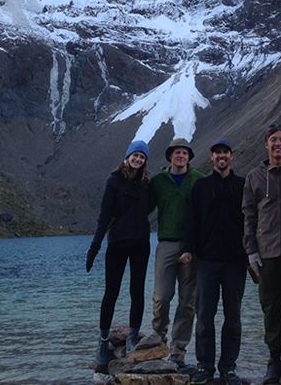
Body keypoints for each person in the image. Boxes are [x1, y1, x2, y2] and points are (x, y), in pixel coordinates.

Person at [242, 124, 281, 384]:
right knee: (269, 307)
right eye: (273, 140)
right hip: (265, 253)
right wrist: (250, 250)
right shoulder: (254, 177)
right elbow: (248, 215)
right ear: (266, 144)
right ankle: (273, 359)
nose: (277, 144)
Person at [180, 139, 247, 385]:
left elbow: (250, 221)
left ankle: (228, 367)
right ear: (211, 158)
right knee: (205, 315)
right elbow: (191, 222)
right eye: (217, 153)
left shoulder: (242, 185)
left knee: (233, 316)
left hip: (235, 262)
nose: (221, 156)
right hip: (206, 261)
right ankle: (205, 366)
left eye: (225, 153)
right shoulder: (200, 187)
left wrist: (251, 253)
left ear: (232, 156)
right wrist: (187, 250)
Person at [86, 140, 154, 368]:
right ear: (127, 157)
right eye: (135, 155)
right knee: (111, 292)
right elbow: (104, 215)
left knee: (137, 290)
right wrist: (94, 246)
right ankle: (103, 340)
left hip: (140, 243)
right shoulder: (113, 181)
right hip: (117, 243)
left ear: (145, 161)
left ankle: (133, 336)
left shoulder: (146, 184)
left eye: (142, 157)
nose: (138, 159)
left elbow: (150, 207)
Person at [151, 138, 205, 371]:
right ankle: (157, 339)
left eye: (184, 153)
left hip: (191, 246)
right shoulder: (158, 181)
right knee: (162, 296)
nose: (180, 156)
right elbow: (141, 204)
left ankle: (178, 350)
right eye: (176, 153)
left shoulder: (199, 180)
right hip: (166, 243)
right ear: (170, 157)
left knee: (187, 301)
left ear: (189, 157)